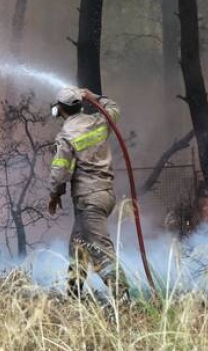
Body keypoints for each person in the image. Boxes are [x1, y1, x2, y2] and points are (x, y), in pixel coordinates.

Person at [47, 86, 129, 300]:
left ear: (60, 110)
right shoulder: (99, 122)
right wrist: (95, 97)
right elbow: (114, 108)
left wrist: (54, 194)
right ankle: (74, 295)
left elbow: (59, 170)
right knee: (78, 248)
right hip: (105, 195)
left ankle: (123, 298)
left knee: (100, 251)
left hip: (88, 200)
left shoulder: (66, 134)